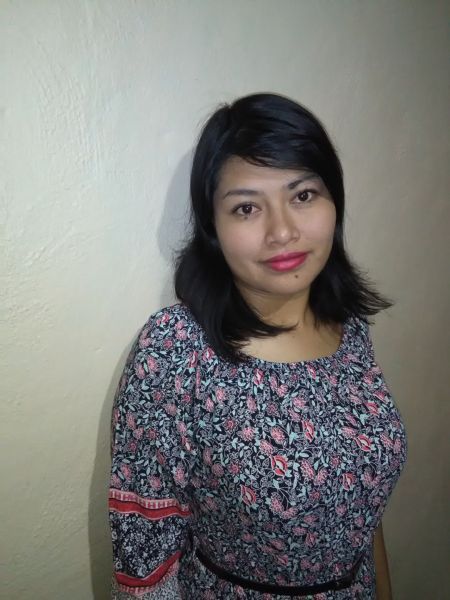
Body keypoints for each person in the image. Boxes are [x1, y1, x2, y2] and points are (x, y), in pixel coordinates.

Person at [108, 93, 407, 599]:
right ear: (213, 227)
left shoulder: (350, 328)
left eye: (303, 195)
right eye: (247, 208)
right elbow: (144, 556)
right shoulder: (175, 350)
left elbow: (363, 512)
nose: (283, 231)